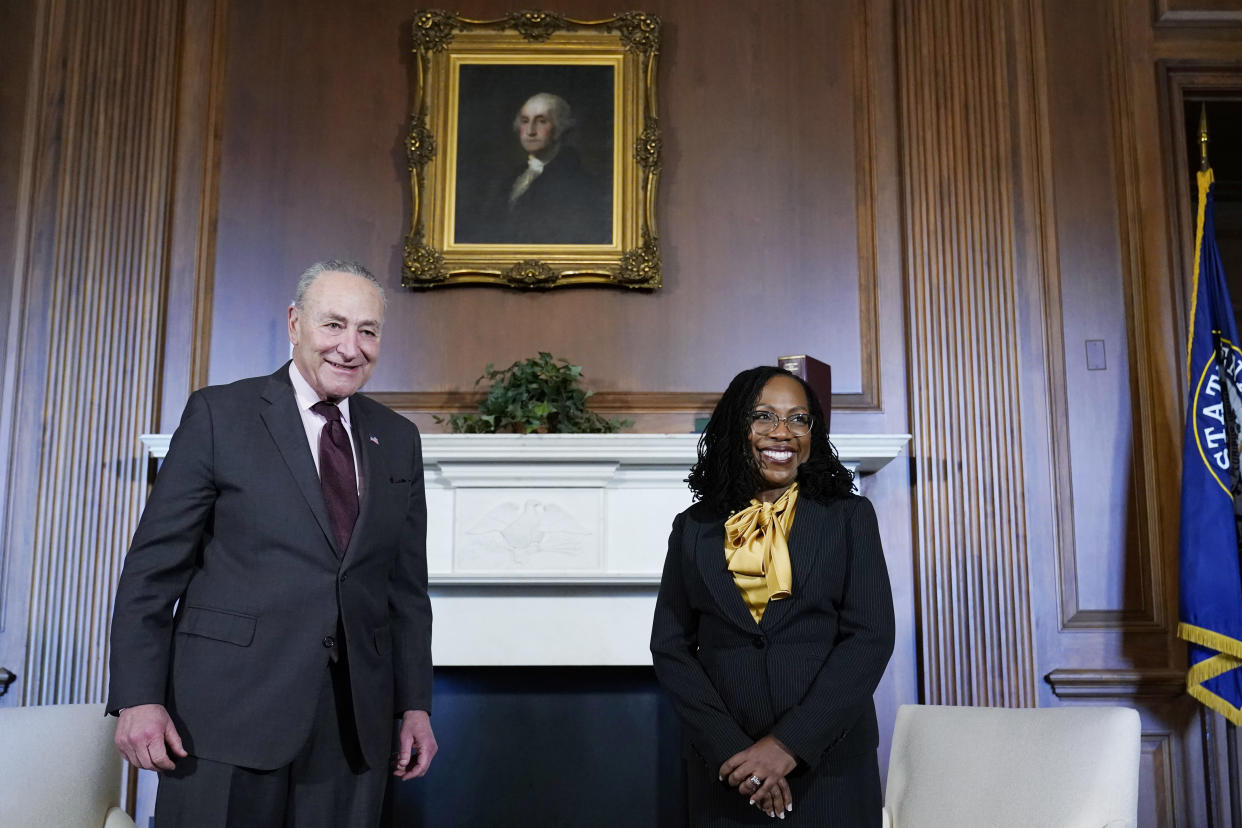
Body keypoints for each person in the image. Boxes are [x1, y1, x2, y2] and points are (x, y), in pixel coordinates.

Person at [107, 260, 437, 827]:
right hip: (223, 717)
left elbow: (405, 592)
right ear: (294, 323)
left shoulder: (398, 439)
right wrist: (139, 696)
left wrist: (415, 706)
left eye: (368, 330)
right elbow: (153, 571)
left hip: (354, 731)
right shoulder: (220, 414)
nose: (350, 348)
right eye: (333, 325)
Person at [650, 366, 894, 825]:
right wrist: (736, 754)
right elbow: (670, 646)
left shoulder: (849, 517)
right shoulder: (693, 528)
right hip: (726, 770)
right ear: (735, 428)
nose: (782, 432)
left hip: (831, 766)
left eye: (799, 419)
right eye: (763, 416)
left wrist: (786, 747)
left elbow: (870, 637)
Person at [456, 92, 611, 245]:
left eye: (541, 121)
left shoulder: (580, 184)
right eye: (524, 121)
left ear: (560, 128)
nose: (530, 131)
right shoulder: (513, 178)